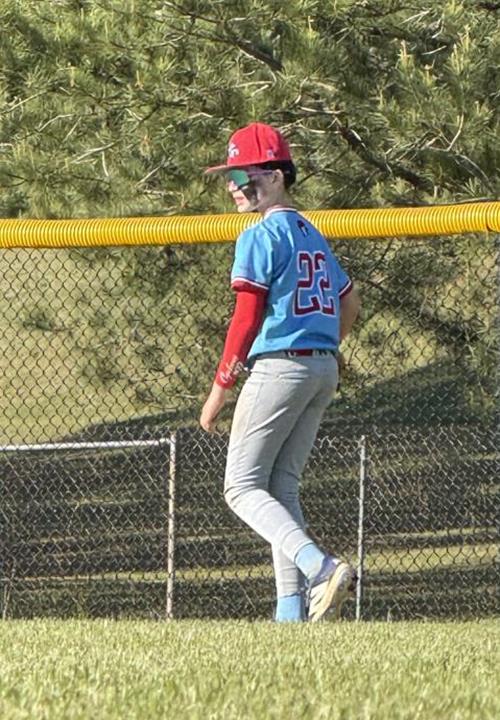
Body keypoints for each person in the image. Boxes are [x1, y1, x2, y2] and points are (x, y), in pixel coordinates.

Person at [200, 122, 361, 622]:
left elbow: (247, 317)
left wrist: (220, 388)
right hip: (320, 368)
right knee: (281, 488)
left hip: (280, 367)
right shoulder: (312, 233)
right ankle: (290, 612)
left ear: (273, 175)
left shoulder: (261, 234)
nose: (232, 185)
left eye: (240, 175)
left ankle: (320, 567)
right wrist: (326, 345)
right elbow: (350, 301)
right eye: (229, 177)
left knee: (241, 487)